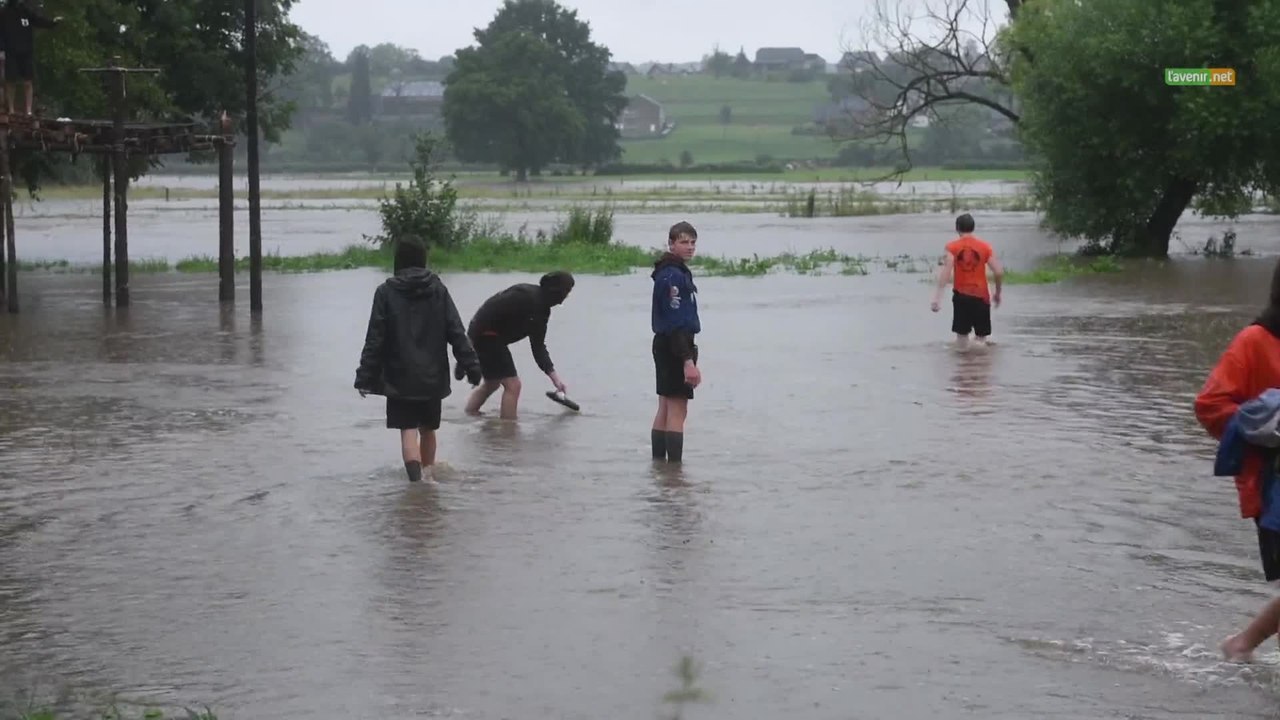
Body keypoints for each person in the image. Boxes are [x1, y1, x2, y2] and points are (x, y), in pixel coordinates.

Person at [1195, 257, 1280, 662]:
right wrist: (1270, 420)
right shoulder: (1255, 341)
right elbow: (1210, 405)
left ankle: (1246, 647)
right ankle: (1242, 644)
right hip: (1273, 482)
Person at [354, 236, 482, 483]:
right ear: (423, 259)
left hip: (400, 377)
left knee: (408, 430)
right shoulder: (438, 289)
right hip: (433, 377)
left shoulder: (385, 292)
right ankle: (428, 478)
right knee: (429, 429)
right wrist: (472, 366)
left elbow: (375, 339)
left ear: (398, 260)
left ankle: (416, 486)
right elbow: (456, 330)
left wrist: (365, 377)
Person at [460, 271, 575, 419]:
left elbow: (538, 347)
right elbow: (484, 314)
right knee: (513, 385)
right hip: (485, 335)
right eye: (566, 291)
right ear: (555, 290)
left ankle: (470, 415)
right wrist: (466, 349)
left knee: (493, 382)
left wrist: (556, 380)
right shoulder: (523, 295)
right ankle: (509, 431)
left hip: (494, 339)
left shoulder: (542, 312)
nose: (564, 299)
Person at [650, 221, 702, 463]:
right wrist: (688, 361)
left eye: (693, 242)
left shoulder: (667, 271)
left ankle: (659, 467)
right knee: (678, 409)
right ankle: (674, 474)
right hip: (675, 345)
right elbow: (677, 320)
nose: (690, 247)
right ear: (671, 244)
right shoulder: (673, 276)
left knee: (665, 407)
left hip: (663, 343)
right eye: (684, 242)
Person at [930, 213, 1004, 346]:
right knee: (981, 340)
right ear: (973, 227)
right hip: (982, 297)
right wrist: (997, 294)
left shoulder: (952, 247)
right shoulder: (985, 247)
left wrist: (937, 298)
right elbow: (998, 272)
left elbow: (946, 272)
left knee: (962, 340)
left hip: (961, 297)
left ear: (957, 228)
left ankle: (963, 365)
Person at [1, 0, 59, 116]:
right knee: (10, 81)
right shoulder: (4, 13)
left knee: (28, 81)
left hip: (26, 51)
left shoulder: (25, 10)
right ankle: (11, 110)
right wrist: (1, 49)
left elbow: (38, 20)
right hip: (11, 51)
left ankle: (28, 110)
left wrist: (52, 22)